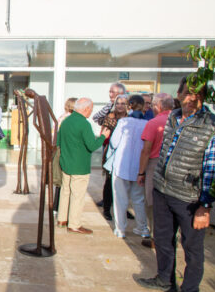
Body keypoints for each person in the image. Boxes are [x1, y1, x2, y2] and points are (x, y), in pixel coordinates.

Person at [137, 77, 215, 292]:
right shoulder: (173, 118)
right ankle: (165, 279)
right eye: (187, 93)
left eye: (197, 94)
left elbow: (214, 169)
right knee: (163, 239)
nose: (191, 98)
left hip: (190, 199)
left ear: (204, 97)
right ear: (179, 93)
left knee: (192, 250)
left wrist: (205, 206)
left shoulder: (213, 126)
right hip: (164, 190)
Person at [57, 98, 110, 234]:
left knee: (65, 191)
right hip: (79, 165)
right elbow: (92, 145)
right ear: (85, 109)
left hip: (65, 162)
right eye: (90, 110)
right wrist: (103, 136)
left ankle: (62, 219)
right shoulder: (84, 124)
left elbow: (58, 142)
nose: (91, 112)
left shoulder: (66, 121)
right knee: (77, 195)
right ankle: (74, 224)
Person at [107, 95, 149, 239]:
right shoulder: (146, 124)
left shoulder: (124, 122)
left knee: (120, 199)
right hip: (139, 167)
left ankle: (120, 229)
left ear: (129, 106)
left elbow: (114, 142)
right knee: (138, 199)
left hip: (122, 166)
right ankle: (143, 228)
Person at [137, 93, 174, 248]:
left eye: (152, 104)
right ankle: (172, 236)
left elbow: (146, 150)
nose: (151, 107)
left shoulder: (153, 123)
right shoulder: (180, 122)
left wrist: (141, 172)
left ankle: (155, 237)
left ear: (159, 106)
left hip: (155, 163)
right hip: (176, 164)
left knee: (152, 201)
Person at [100, 94, 129, 220]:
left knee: (125, 182)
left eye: (123, 103)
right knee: (109, 181)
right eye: (118, 103)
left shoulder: (130, 117)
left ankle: (124, 208)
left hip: (126, 153)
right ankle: (107, 209)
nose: (120, 106)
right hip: (111, 151)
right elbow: (104, 135)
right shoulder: (110, 118)